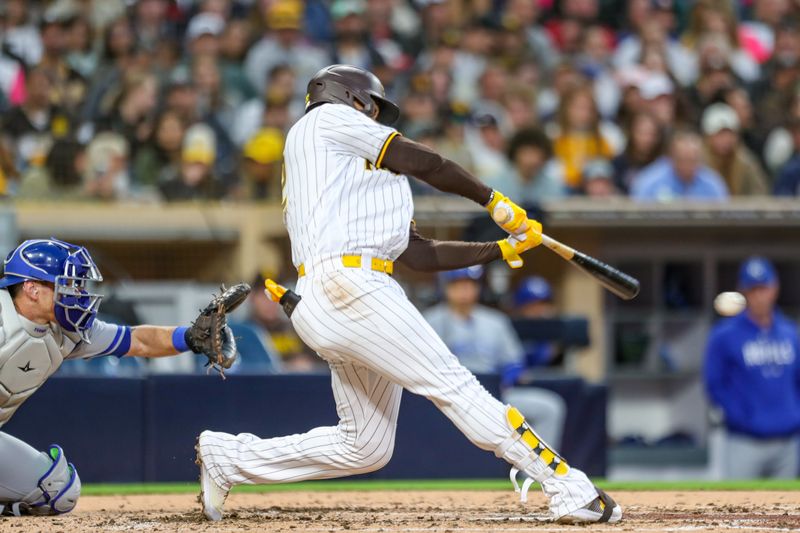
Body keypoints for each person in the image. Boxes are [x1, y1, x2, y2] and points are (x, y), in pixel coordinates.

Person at [196, 64, 621, 524]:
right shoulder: (323, 120)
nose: (377, 115)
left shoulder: (358, 176)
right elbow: (427, 162)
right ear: (348, 97)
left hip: (342, 293)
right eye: (373, 106)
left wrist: (503, 248)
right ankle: (566, 485)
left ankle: (228, 457)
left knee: (365, 446)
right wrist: (493, 200)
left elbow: (419, 255)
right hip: (349, 286)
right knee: (456, 386)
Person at [0, 238, 241, 516]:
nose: (77, 292)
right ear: (32, 289)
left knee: (59, 490)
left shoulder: (69, 332)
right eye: (68, 284)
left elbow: (137, 340)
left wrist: (189, 338)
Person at [424, 267, 567, 450]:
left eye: (470, 284)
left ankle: (538, 474)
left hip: (493, 396)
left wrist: (507, 380)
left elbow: (514, 363)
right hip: (448, 399)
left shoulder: (496, 321)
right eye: (458, 284)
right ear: (446, 288)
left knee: (550, 408)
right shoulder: (430, 320)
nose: (465, 290)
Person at [704, 257, 800, 479]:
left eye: (763, 288)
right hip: (744, 440)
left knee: (785, 510)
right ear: (743, 291)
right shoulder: (724, 335)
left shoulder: (790, 332)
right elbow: (715, 384)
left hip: (787, 440)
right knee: (741, 509)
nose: (759, 296)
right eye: (753, 289)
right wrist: (741, 416)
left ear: (774, 288)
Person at [631, 130, 729, 201]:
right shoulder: (650, 182)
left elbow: (724, 218)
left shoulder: (712, 184)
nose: (687, 166)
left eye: (692, 160)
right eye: (682, 160)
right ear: (671, 157)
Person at [699, 103, 768, 196]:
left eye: (729, 134)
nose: (725, 140)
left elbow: (760, 194)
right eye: (719, 134)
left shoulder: (746, 163)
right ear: (708, 137)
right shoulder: (698, 163)